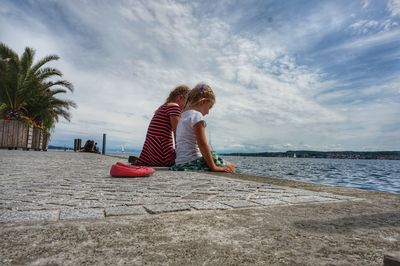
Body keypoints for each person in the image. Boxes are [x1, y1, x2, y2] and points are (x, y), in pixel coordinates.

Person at [171, 83, 235, 173]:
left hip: (180, 164)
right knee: (230, 166)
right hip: (192, 163)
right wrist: (214, 167)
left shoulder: (183, 117)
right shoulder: (197, 115)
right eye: (209, 107)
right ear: (203, 101)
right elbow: (203, 144)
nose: (208, 112)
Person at [134, 85, 190, 167]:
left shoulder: (163, 107)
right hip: (162, 156)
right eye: (186, 104)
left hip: (149, 156)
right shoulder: (174, 106)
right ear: (180, 98)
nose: (185, 107)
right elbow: (178, 134)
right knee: (194, 158)